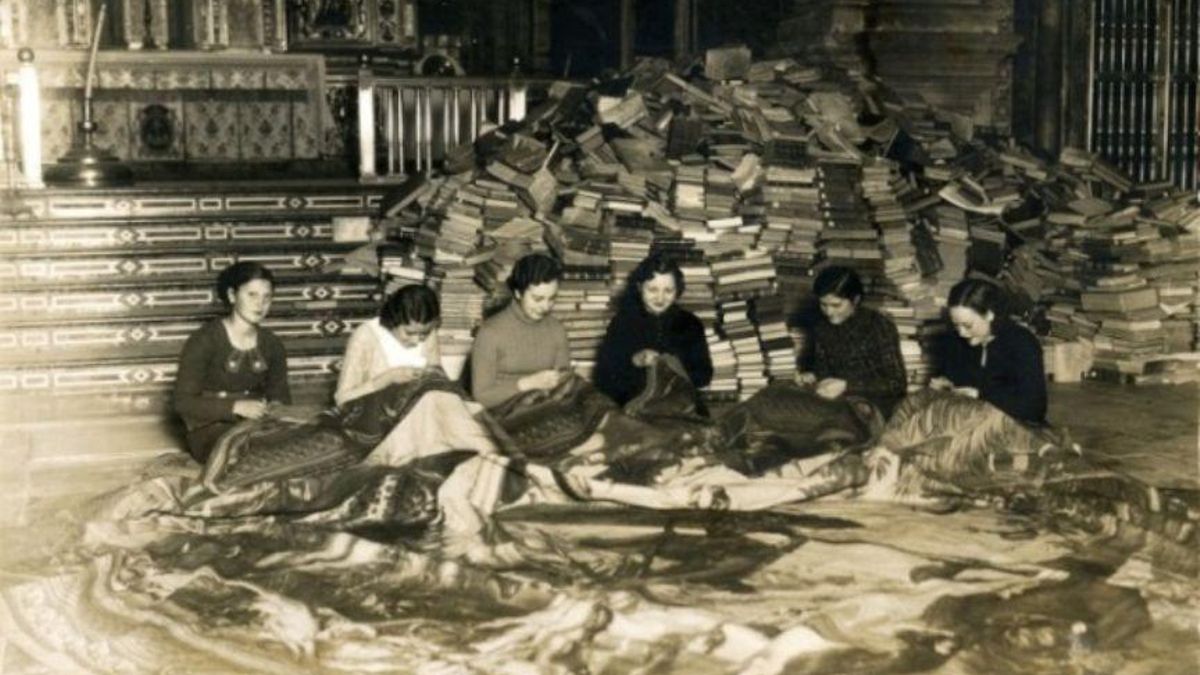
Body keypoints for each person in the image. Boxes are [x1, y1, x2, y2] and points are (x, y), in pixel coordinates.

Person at [174, 261, 290, 463]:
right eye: (251, 295)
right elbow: (182, 402)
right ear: (231, 295)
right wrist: (235, 407)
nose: (260, 304)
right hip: (210, 429)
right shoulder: (205, 339)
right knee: (251, 457)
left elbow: (280, 395)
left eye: (267, 297)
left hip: (256, 425)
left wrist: (275, 410)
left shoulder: (273, 344)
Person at [593, 254, 713, 414]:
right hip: (633, 405)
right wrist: (635, 361)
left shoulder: (690, 324)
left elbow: (704, 375)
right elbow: (602, 378)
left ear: (678, 290)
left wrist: (669, 364)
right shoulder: (623, 322)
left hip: (680, 405)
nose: (660, 298)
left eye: (668, 290)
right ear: (639, 287)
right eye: (652, 289)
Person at [931, 278, 1047, 425]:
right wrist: (946, 385)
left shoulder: (1022, 343)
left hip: (1013, 425)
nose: (961, 332)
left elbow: (1034, 409)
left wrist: (980, 395)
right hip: (969, 420)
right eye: (956, 325)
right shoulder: (957, 340)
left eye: (967, 325)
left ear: (989, 315)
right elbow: (957, 384)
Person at [797, 265, 907, 417]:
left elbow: (897, 383)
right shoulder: (821, 327)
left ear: (855, 300)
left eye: (836, 305)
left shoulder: (878, 325)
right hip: (837, 401)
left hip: (876, 406)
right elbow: (824, 372)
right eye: (823, 304)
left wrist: (847, 386)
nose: (829, 312)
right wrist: (811, 377)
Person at [470, 253, 571, 409]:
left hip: (542, 409)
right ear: (518, 292)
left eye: (552, 298)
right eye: (538, 299)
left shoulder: (557, 329)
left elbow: (563, 386)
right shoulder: (490, 333)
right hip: (501, 411)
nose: (545, 307)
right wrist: (526, 384)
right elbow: (482, 396)